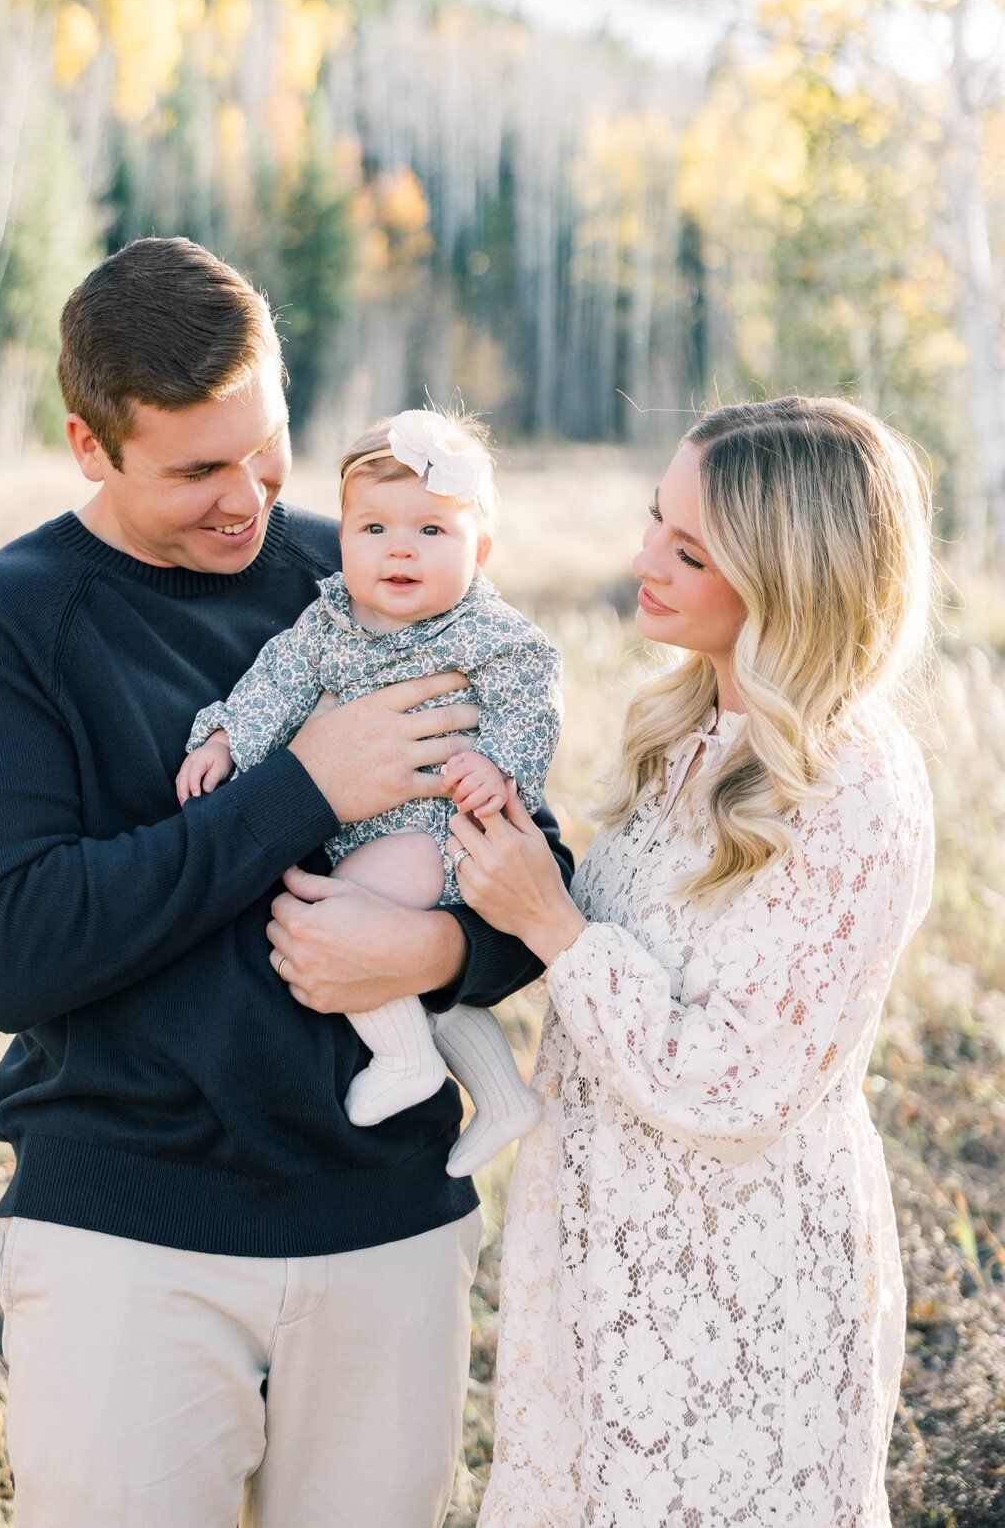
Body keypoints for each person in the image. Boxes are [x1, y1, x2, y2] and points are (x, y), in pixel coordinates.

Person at [0, 237, 571, 1528]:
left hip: (384, 1225)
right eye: (196, 469)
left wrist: (435, 958)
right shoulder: (8, 621)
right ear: (89, 447)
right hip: (129, 1245)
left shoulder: (376, 570)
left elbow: (527, 860)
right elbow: (12, 945)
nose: (245, 497)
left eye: (264, 444)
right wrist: (304, 785)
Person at [444, 397, 935, 1526]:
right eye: (654, 521)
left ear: (791, 576)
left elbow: (737, 1079)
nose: (643, 561)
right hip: (601, 1262)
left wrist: (555, 926)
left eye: (690, 548)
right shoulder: (689, 727)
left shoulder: (851, 783)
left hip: (738, 1296)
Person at [177, 406, 562, 1174]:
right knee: (412, 972)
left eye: (431, 531)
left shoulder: (487, 631)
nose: (400, 550)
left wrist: (501, 765)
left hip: (440, 837)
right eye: (374, 529)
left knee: (329, 919)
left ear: (478, 551)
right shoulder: (327, 624)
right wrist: (226, 736)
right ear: (343, 537)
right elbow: (275, 683)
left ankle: (407, 1063)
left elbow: (533, 691)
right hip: (379, 833)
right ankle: (504, 1095)